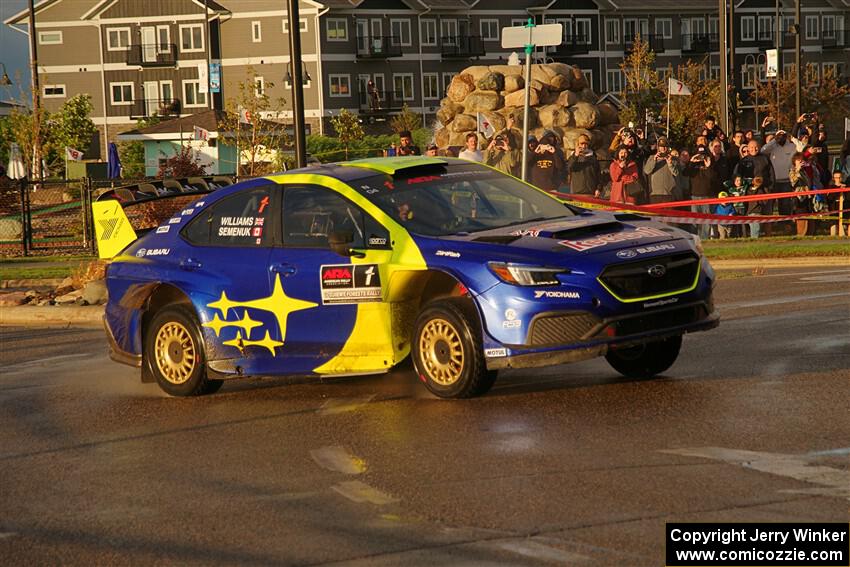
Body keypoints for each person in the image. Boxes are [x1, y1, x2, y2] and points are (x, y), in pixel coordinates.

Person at [760, 118, 805, 222]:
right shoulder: (773, 146)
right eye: (778, 136)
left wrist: (792, 138)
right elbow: (763, 150)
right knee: (771, 204)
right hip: (775, 181)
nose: (781, 138)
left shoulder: (791, 146)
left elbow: (801, 147)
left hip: (786, 180)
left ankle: (785, 223)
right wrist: (774, 141)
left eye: (782, 136)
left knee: (785, 204)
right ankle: (773, 223)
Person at [684, 150, 722, 239]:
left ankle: (704, 239)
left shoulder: (710, 165)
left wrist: (708, 166)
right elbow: (685, 173)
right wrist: (692, 162)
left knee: (706, 221)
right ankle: (694, 239)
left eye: (703, 156)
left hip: (706, 196)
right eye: (699, 156)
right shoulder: (692, 166)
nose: (701, 158)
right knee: (694, 220)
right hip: (694, 196)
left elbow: (713, 178)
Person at [643, 136, 679, 204]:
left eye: (665, 146)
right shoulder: (651, 158)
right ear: (658, 147)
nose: (663, 148)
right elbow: (647, 171)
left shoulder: (673, 159)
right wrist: (654, 160)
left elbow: (676, 173)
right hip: (655, 194)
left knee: (669, 214)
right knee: (655, 214)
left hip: (669, 194)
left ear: (668, 147)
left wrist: (670, 163)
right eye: (661, 146)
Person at [789, 152, 814, 236]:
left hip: (807, 197)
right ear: (794, 161)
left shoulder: (804, 171)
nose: (800, 161)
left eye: (802, 160)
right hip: (798, 198)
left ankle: (809, 235)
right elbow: (793, 182)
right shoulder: (792, 171)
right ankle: (800, 235)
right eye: (798, 160)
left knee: (809, 219)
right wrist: (797, 171)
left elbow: (809, 183)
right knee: (801, 219)